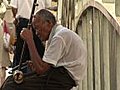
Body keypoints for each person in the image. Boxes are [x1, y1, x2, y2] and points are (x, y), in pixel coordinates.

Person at [1, 9, 87, 90]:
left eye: (38, 28)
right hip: (59, 74)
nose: (37, 33)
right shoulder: (54, 36)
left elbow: (41, 69)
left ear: (48, 23)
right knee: (11, 79)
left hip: (64, 78)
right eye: (35, 30)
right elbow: (43, 65)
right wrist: (34, 64)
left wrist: (30, 40)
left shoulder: (59, 37)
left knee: (11, 85)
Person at [9, 0, 52, 73]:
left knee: (21, 56)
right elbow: (47, 7)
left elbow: (14, 7)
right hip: (38, 22)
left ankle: (20, 75)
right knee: (38, 52)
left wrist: (16, 19)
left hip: (25, 22)